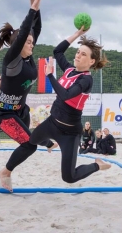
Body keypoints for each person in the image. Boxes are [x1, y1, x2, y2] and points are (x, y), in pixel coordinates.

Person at [0, 0, 56, 192]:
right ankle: (5, 172)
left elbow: (36, 28)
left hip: (20, 111)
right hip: (4, 114)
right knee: (30, 145)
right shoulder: (12, 59)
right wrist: (32, 7)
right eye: (27, 41)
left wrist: (36, 4)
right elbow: (27, 28)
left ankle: (44, 142)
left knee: (30, 142)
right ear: (18, 45)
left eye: (32, 41)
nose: (32, 43)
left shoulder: (29, 57)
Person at [29, 27, 111, 184]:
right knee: (32, 139)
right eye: (78, 52)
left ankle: (97, 165)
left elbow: (66, 95)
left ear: (92, 61)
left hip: (70, 132)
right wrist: (78, 34)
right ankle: (51, 143)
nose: (78, 55)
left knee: (69, 177)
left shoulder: (86, 80)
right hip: (52, 123)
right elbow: (57, 51)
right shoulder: (69, 69)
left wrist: (49, 75)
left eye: (83, 54)